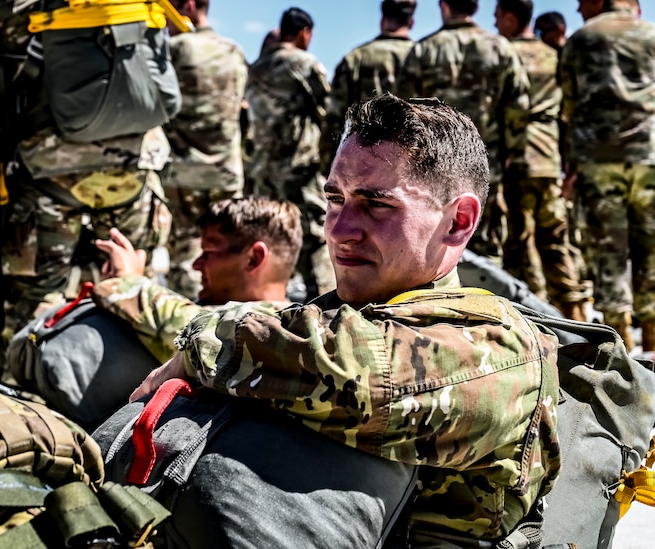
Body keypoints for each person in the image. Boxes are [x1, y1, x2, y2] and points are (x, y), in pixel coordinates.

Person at [132, 94, 561, 546]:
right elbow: (283, 332)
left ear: (458, 221)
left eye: (376, 204)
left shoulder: (498, 351)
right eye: (335, 199)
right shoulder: (350, 312)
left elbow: (357, 375)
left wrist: (204, 347)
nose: (338, 229)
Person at [0, 2, 179, 372]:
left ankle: (32, 404)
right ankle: (143, 398)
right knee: (134, 289)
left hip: (52, 170)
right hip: (137, 165)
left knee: (37, 304)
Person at [395, 0, 530, 265]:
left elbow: (403, 111)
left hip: (432, 170)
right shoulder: (501, 48)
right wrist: (512, 153)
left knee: (435, 244)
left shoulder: (423, 50)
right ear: (476, 7)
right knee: (488, 248)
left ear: (443, 5)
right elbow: (518, 109)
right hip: (486, 167)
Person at [92, 196, 302, 363]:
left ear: (254, 258)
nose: (196, 264)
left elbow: (201, 330)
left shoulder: (280, 331)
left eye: (209, 253)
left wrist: (129, 284)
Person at [560, 0, 655, 351]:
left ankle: (624, 349)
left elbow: (569, 105)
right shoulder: (651, 35)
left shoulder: (581, 39)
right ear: (636, 6)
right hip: (650, 156)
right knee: (652, 248)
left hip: (598, 158)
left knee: (608, 253)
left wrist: (571, 165)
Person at [494, 0, 590, 321]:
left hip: (517, 160)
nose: (495, 24)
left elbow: (505, 112)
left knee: (521, 245)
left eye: (497, 17)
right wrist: (570, 164)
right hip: (549, 159)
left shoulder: (503, 54)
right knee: (555, 241)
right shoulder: (554, 56)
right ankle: (576, 315)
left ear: (510, 17)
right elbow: (571, 114)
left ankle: (541, 321)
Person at [245, 7, 334, 301]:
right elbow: (328, 109)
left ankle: (267, 294)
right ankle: (324, 298)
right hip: (298, 165)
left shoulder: (256, 68)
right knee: (313, 232)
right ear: (304, 33)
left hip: (262, 167)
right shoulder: (304, 63)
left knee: (268, 232)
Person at [161, 0, 248, 301]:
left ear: (187, 5)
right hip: (226, 171)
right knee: (231, 253)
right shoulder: (234, 51)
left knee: (185, 257)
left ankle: (184, 335)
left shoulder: (175, 48)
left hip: (184, 172)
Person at [322, 0, 416, 175]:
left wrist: (327, 165)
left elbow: (334, 118)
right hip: (410, 162)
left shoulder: (356, 58)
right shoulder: (422, 56)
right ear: (411, 22)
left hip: (363, 161)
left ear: (382, 20)